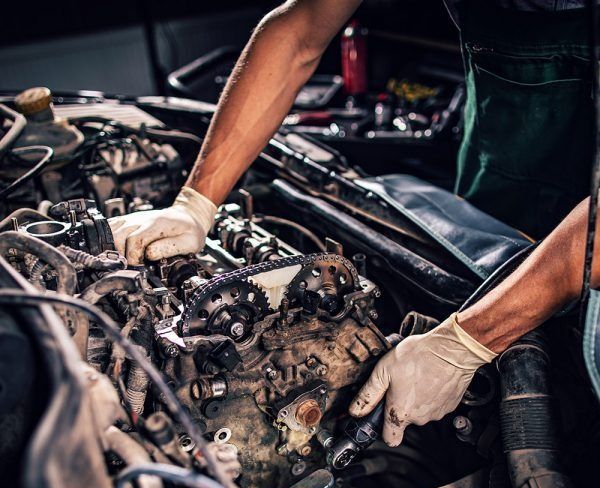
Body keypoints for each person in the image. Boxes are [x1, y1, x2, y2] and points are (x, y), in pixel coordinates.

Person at [109, 0, 597, 446]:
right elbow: (300, 30)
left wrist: (466, 342)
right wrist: (195, 202)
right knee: (480, 265)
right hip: (506, 159)